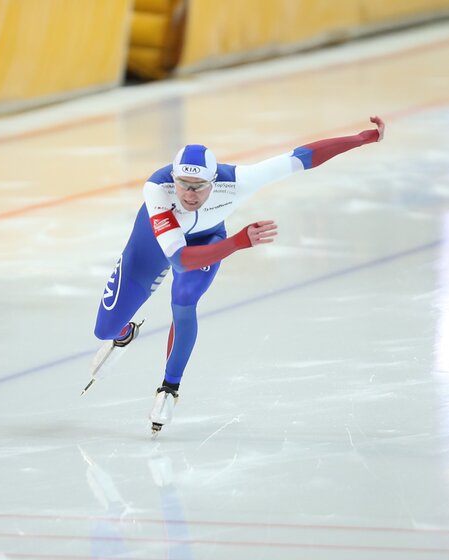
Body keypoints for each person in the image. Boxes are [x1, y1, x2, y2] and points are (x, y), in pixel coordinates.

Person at [85, 116, 386, 436]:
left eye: (199, 187)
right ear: (174, 180)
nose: (189, 194)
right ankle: (123, 334)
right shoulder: (158, 189)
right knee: (103, 330)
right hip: (153, 246)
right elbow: (181, 259)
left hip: (207, 241)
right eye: (183, 185)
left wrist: (361, 139)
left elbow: (303, 157)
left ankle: (169, 388)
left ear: (213, 182)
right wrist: (238, 243)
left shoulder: (239, 180)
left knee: (184, 299)